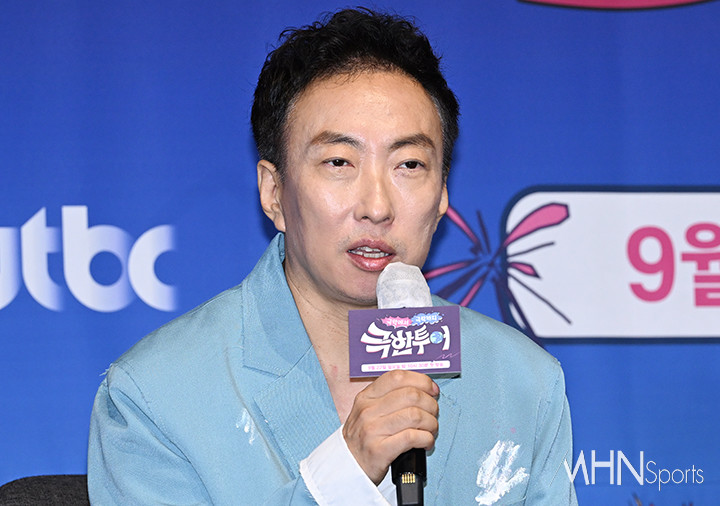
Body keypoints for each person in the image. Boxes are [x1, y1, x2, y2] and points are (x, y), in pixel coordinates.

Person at [88, 8, 577, 505]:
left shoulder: (522, 383)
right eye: (339, 162)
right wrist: (344, 474)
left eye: (409, 164)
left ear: (442, 196)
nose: (377, 207)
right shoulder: (155, 396)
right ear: (274, 192)